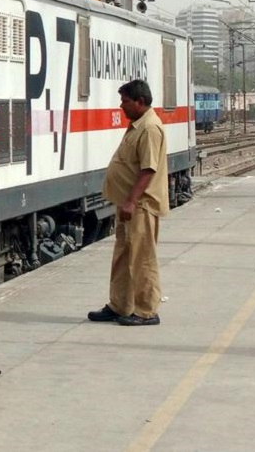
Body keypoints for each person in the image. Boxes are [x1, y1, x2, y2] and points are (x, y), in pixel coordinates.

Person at [88, 79, 169, 327]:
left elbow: (148, 170)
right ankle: (119, 305)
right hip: (128, 205)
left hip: (141, 206)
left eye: (124, 101)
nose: (121, 106)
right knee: (123, 257)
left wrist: (132, 201)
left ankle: (146, 311)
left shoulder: (150, 128)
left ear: (140, 102)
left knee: (142, 259)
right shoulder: (137, 125)